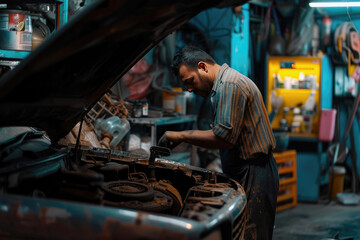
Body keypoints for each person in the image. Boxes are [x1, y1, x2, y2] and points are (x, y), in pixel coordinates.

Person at [158, 46, 279, 239]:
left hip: (255, 172)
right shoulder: (223, 85)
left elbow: (223, 139)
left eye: (190, 81)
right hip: (246, 169)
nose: (189, 89)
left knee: (251, 234)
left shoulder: (230, 85)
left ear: (202, 67)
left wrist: (179, 135)